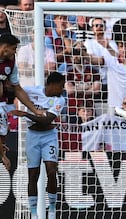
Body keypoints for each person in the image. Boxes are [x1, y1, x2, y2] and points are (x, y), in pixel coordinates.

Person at [10, 72, 66, 219]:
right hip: (32, 137)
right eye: (61, 86)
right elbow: (16, 90)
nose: (63, 89)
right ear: (52, 85)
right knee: (33, 175)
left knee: (51, 170)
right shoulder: (32, 91)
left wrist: (25, 114)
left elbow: (45, 120)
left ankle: (52, 208)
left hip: (49, 137)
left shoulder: (60, 100)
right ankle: (34, 213)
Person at [0, 33, 44, 171]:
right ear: (4, 47)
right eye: (13, 48)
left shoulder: (11, 63)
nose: (15, 52)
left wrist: (34, 109)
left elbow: (17, 88)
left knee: (2, 135)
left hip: (2, 104)